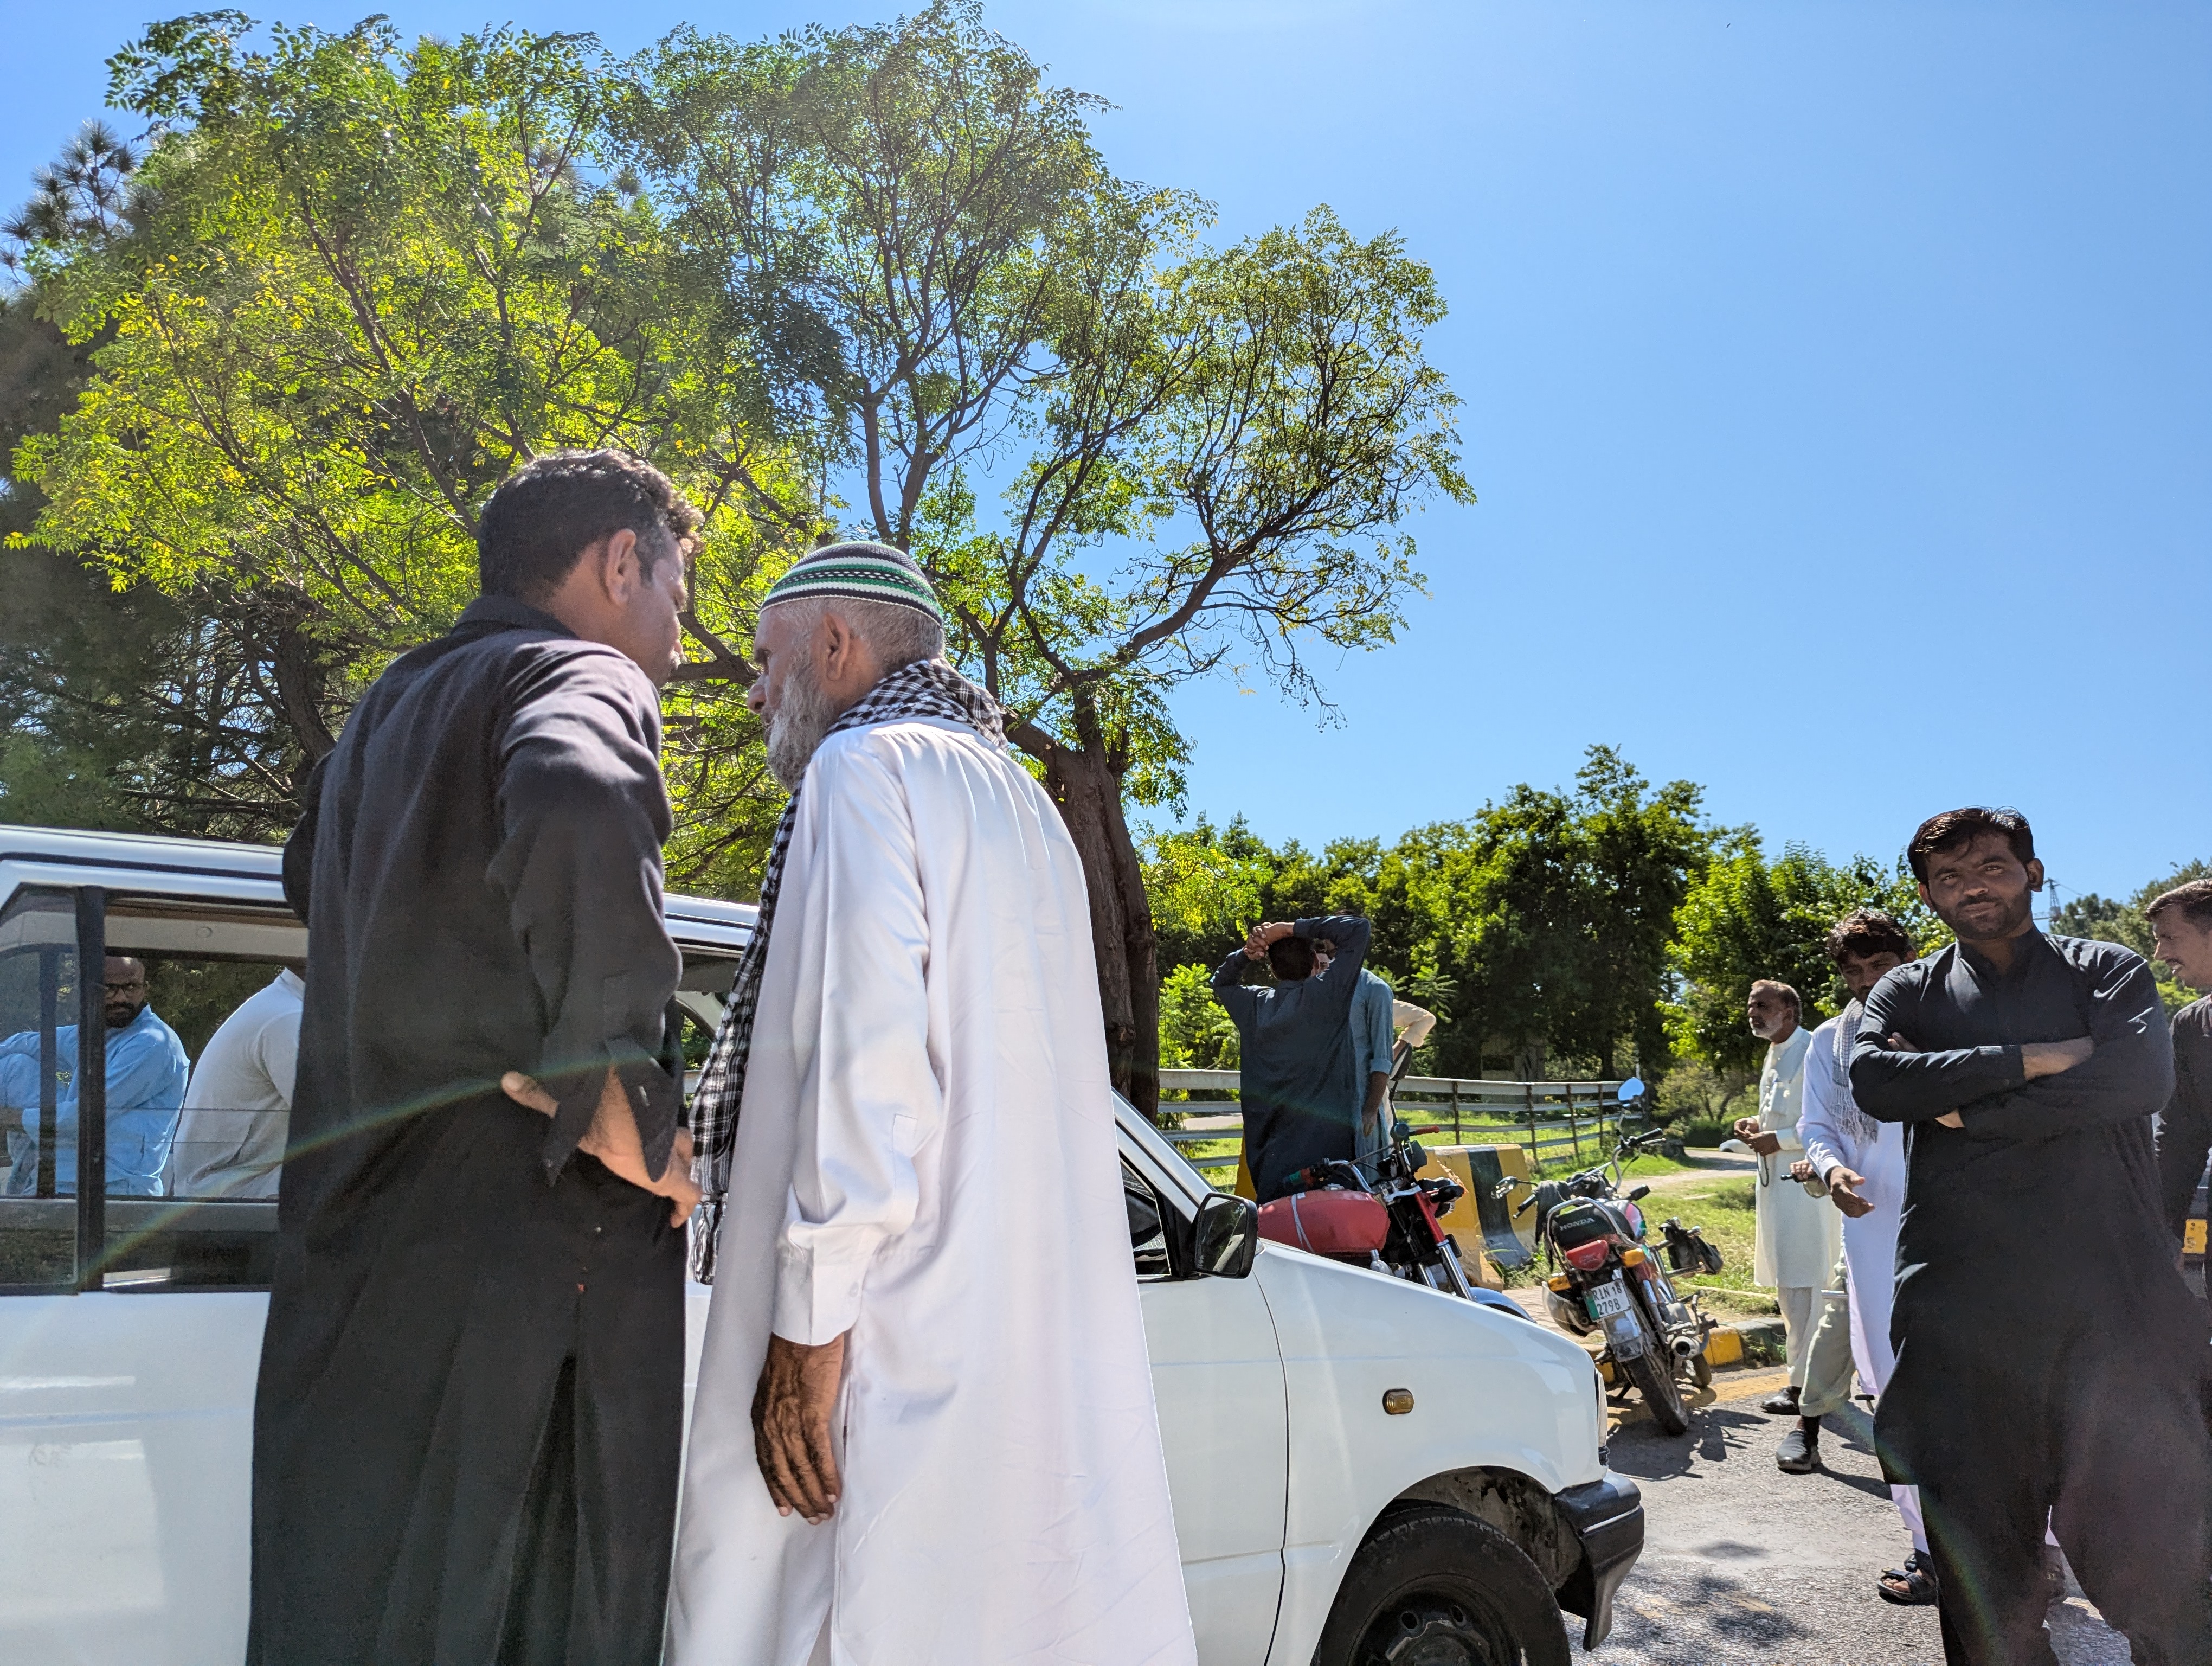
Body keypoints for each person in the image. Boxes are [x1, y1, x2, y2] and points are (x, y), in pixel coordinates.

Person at [666, 544, 1194, 1666]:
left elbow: (871, 1077)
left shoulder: (863, 772)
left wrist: (808, 1334)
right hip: (1000, 1334)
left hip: (881, 1335)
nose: (757, 689)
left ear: (837, 647)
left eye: (766, 660)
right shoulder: (1023, 802)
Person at [253, 451, 704, 1666]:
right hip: (523, 1293)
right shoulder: (577, 674)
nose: (675, 635)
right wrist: (616, 1088)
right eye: (677, 592)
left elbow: (310, 877)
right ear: (621, 562)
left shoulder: (389, 708)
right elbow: (571, 789)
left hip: (355, 1286)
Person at [1850, 807, 2212, 1666]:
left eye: (1991, 865)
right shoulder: (1909, 991)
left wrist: (1955, 1107)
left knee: (2162, 1582)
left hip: (2114, 1320)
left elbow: (2136, 1081)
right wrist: (2032, 1060)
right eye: (1950, 876)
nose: (1972, 885)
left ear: (2034, 871)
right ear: (1929, 896)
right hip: (1963, 1322)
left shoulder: (2109, 974)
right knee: (1989, 1602)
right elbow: (1874, 1079)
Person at [1790, 911, 1933, 1603]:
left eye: (1879, 966)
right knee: (1897, 1389)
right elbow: (1817, 1124)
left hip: (1971, 1228)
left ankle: (2036, 1549)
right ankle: (1930, 1547)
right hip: (1875, 1236)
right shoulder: (1830, 1039)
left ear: (1911, 955)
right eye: (1853, 972)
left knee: (1996, 1387)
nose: (1867, 983)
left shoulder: (1953, 1012)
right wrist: (1831, 1170)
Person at [1733, 978, 1842, 1417]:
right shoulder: (1775, 1053)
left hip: (1806, 1191)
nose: (1753, 1013)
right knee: (1790, 1290)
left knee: (1810, 1288)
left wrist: (1777, 1139)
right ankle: (1804, 1381)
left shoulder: (1814, 1050)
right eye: (1751, 1006)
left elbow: (1830, 1118)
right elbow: (1784, 1113)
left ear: (1790, 1012)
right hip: (1777, 1191)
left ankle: (1807, 1387)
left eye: (1762, 1006)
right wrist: (1754, 1124)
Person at [1213, 915, 1374, 1201]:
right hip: (1330, 1164)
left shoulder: (1253, 1006)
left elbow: (1222, 982)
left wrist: (1246, 954)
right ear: (1316, 962)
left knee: (1281, 1241)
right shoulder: (1329, 997)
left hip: (1270, 1167)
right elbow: (1358, 929)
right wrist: (1287, 929)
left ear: (1273, 969)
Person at [0, 953, 188, 1195]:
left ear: (145, 989)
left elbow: (85, 1117)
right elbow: (23, 1044)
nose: (121, 998)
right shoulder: (98, 1033)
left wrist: (7, 1118)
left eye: (131, 987)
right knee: (14, 1064)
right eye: (109, 989)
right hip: (66, 1179)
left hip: (113, 1193)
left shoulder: (152, 1043)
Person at [165, 965, 303, 1199]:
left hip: (232, 1188)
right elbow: (341, 1118)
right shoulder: (287, 1017)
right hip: (232, 1195)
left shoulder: (281, 1003)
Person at [2147, 879, 2212, 1260]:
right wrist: (2154, 1233)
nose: (2159, 953)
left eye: (2169, 937)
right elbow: (2178, 1144)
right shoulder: (2191, 1026)